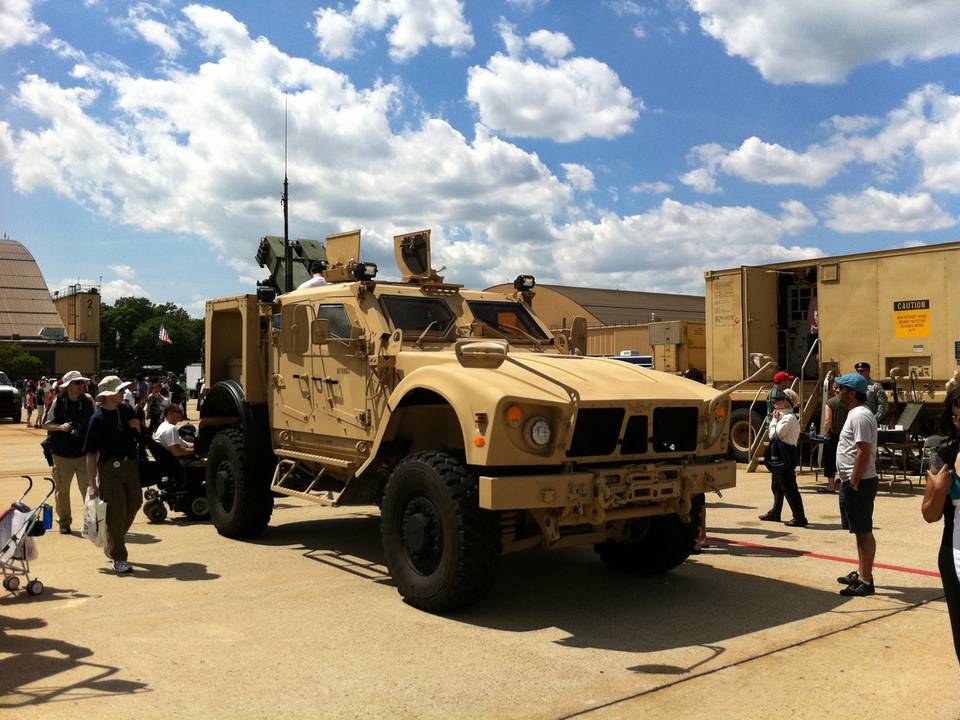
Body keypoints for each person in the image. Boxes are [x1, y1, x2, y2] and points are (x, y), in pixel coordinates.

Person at [83, 375, 143, 575]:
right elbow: (91, 454)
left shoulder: (125, 410)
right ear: (109, 395)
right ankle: (119, 557)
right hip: (109, 468)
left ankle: (113, 540)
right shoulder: (97, 419)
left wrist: (136, 428)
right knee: (116, 512)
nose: (123, 393)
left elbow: (136, 433)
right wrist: (92, 483)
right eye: (119, 390)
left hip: (129, 464)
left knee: (135, 502)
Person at [921, 387, 960, 665]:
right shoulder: (945, 453)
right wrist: (940, 491)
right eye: (958, 419)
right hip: (955, 554)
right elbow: (929, 514)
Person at [834, 372, 879, 596]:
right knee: (858, 530)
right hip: (854, 481)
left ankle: (866, 580)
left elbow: (863, 450)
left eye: (840, 388)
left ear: (852, 393)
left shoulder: (860, 416)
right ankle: (862, 571)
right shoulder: (856, 413)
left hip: (860, 483)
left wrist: (853, 481)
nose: (836, 391)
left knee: (864, 531)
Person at [42, 371, 96, 534]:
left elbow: (95, 422)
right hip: (62, 454)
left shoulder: (88, 400)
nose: (81, 386)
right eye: (77, 383)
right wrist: (60, 427)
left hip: (84, 453)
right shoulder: (57, 401)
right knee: (62, 491)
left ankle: (91, 522)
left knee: (88, 490)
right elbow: (46, 423)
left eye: (82, 382)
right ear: (68, 386)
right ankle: (64, 522)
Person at [759, 387, 807, 527]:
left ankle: (799, 517)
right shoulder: (782, 416)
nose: (776, 401)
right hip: (780, 453)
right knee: (776, 485)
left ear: (788, 402)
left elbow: (774, 435)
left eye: (780, 399)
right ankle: (775, 512)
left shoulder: (789, 418)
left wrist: (774, 421)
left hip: (786, 453)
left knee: (789, 487)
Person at [817, 381, 849, 495]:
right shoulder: (849, 403)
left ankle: (831, 485)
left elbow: (827, 421)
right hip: (847, 435)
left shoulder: (830, 402)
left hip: (834, 435)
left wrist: (824, 434)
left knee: (830, 459)